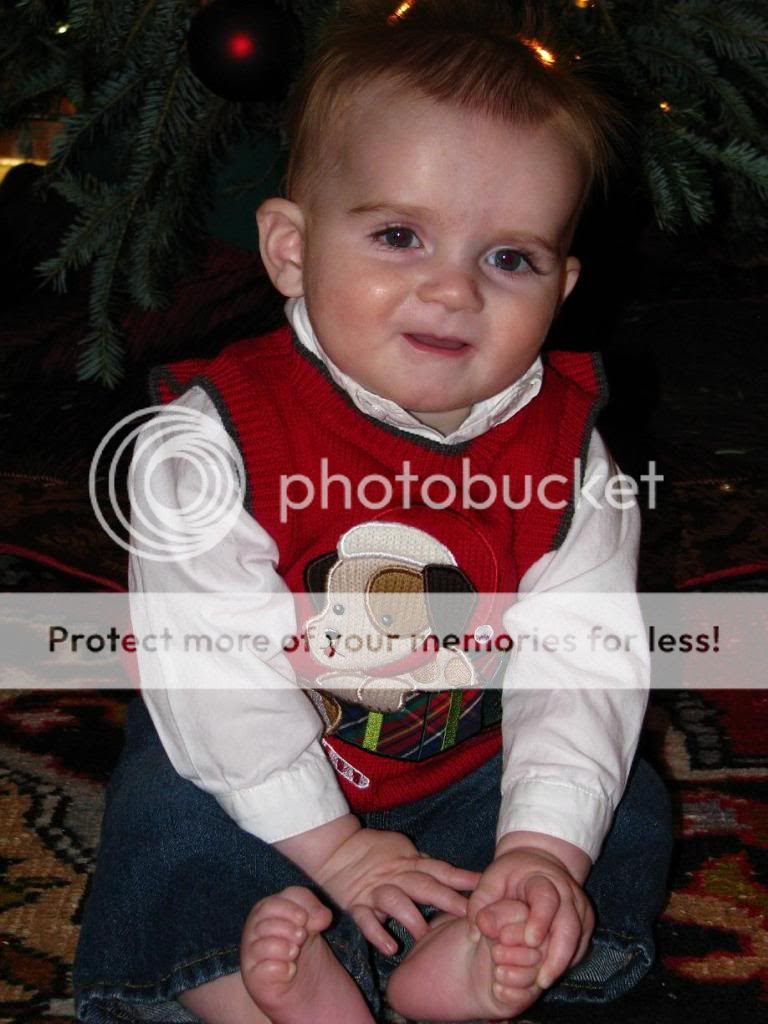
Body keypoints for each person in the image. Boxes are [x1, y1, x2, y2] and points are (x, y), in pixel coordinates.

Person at [74, 2, 672, 1022]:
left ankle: (475, 948)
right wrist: (334, 849)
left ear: (563, 286)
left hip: (469, 761)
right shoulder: (212, 441)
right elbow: (214, 673)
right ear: (292, 248)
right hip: (259, 766)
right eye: (400, 236)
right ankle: (258, 983)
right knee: (172, 816)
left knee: (620, 804)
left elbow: (582, 663)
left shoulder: (573, 457)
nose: (453, 290)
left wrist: (541, 848)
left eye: (510, 258)